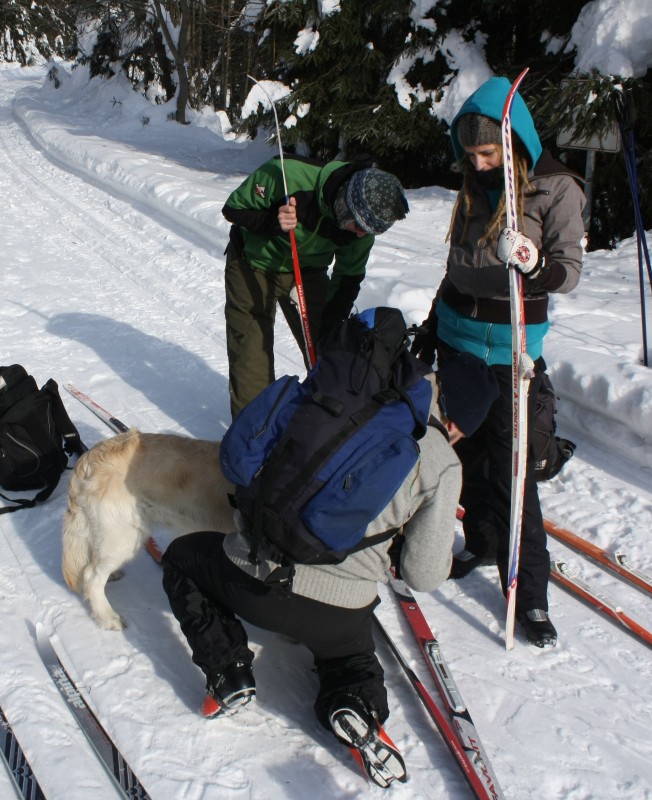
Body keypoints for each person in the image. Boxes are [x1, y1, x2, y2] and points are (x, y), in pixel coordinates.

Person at [159, 373, 465, 787]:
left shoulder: (320, 398)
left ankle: (227, 671)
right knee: (353, 661)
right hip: (339, 613)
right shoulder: (441, 459)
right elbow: (422, 576)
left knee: (182, 559)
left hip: (254, 581)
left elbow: (243, 461)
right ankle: (354, 702)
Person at [411, 76, 587, 648]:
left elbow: (568, 271)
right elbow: (456, 270)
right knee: (463, 457)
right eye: (471, 154)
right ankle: (484, 541)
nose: (479, 164)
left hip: (511, 353)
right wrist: (432, 326)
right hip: (458, 343)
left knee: (514, 475)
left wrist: (534, 264)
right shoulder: (473, 187)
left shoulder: (556, 187)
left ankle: (531, 591)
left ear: (514, 143)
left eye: (488, 152)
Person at [222, 157, 409, 417]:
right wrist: (273, 221)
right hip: (253, 264)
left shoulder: (362, 230)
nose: (361, 235)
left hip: (308, 271)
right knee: (252, 352)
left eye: (370, 232)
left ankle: (324, 425)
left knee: (332, 351)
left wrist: (331, 328)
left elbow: (348, 278)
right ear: (344, 205)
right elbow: (233, 209)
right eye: (358, 226)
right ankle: (254, 428)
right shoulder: (287, 174)